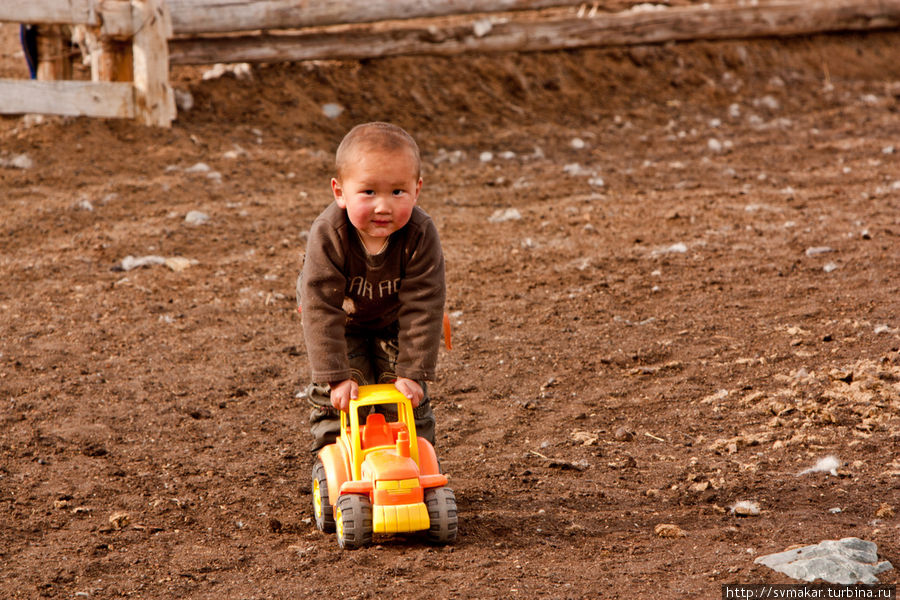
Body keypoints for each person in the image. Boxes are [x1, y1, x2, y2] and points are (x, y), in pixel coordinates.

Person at [297, 122, 446, 451]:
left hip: (394, 321)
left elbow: (425, 303)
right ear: (340, 192)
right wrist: (335, 375)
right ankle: (335, 454)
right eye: (368, 192)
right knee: (345, 393)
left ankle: (415, 457)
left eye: (397, 192)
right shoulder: (328, 235)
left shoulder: (420, 234)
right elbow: (320, 308)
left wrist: (412, 370)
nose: (383, 206)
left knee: (405, 393)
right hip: (343, 322)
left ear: (416, 190)